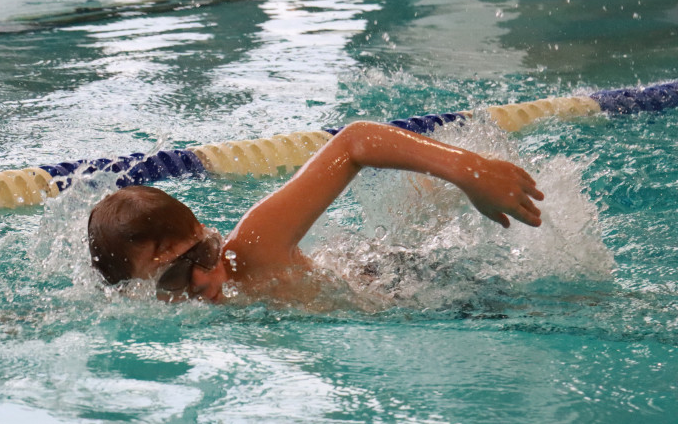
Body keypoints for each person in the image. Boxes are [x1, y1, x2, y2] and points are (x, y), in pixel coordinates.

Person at [87, 121, 544, 303]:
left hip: (409, 286)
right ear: (135, 294)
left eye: (205, 251)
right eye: (172, 278)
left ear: (209, 233)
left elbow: (354, 142)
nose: (207, 277)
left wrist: (469, 170)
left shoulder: (252, 251)